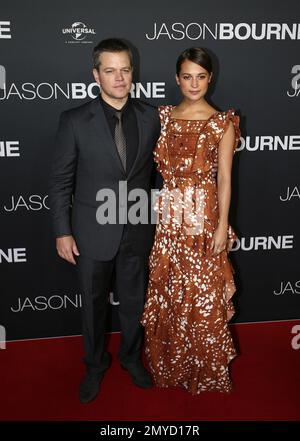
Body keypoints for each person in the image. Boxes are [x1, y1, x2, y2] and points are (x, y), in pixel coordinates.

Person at [49, 38, 161, 403]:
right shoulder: (75, 120)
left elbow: (157, 177)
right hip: (91, 231)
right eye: (110, 70)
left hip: (137, 228)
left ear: (133, 72)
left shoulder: (151, 116)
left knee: (134, 303)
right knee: (93, 306)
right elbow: (61, 181)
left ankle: (131, 358)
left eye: (125, 69)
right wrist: (62, 232)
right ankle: (94, 366)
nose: (119, 78)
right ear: (95, 74)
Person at [141, 47, 240, 394]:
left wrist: (221, 225)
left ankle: (203, 370)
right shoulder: (163, 117)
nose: (194, 83)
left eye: (200, 76)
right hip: (169, 216)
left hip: (203, 217)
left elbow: (225, 179)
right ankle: (172, 366)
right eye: (187, 76)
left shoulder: (222, 121)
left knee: (200, 293)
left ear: (209, 78)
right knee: (170, 290)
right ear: (177, 78)